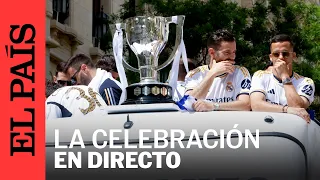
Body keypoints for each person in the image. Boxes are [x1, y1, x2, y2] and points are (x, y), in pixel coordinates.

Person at [250, 34, 315, 123]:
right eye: (276, 54)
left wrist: (284, 76)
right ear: (271, 57)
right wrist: (287, 109)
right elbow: (256, 105)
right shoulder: (260, 76)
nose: (281, 57)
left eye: (285, 54)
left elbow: (298, 107)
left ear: (293, 56)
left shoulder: (306, 82)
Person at [182, 29, 251, 112]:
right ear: (212, 52)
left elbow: (246, 104)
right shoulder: (195, 74)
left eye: (234, 52)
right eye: (227, 53)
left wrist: (214, 106)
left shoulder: (240, 72)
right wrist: (212, 74)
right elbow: (187, 103)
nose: (233, 57)